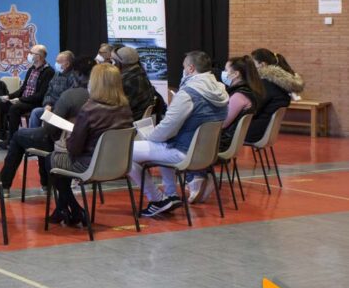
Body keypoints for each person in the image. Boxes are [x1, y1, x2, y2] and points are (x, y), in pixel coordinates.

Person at [128, 50, 229, 217]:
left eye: (183, 67)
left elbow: (167, 128)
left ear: (190, 69)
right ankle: (172, 195)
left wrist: (149, 136)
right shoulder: (221, 91)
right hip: (206, 153)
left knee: (125, 153)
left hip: (183, 151)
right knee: (161, 143)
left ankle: (157, 199)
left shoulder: (188, 93)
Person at [47, 64, 133, 228]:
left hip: (90, 166)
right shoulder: (125, 108)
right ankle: (64, 209)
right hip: (118, 165)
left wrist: (71, 135)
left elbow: (74, 149)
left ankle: (76, 209)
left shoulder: (89, 109)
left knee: (50, 160)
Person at [0, 56, 96, 191]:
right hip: (93, 151)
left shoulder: (71, 95)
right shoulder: (104, 96)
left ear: (76, 73)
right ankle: (45, 184)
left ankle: (5, 185)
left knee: (19, 136)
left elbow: (51, 129)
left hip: (67, 145)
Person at [187, 55, 265, 204]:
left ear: (236, 74)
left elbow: (222, 123)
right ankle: (199, 176)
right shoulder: (248, 92)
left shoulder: (240, 95)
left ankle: (199, 177)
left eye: (226, 70)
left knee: (186, 139)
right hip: (228, 139)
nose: (223, 73)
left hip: (223, 142)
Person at [247, 48, 304, 144]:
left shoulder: (267, 84)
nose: (251, 68)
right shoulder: (281, 85)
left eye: (253, 64)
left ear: (262, 64)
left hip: (255, 132)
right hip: (264, 130)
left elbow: (253, 109)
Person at [4, 44, 54, 142]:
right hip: (25, 100)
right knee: (4, 104)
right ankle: (3, 135)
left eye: (31, 53)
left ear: (38, 57)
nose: (29, 55)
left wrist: (19, 99)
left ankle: (13, 140)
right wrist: (8, 96)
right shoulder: (31, 69)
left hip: (35, 103)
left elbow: (40, 95)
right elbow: (22, 89)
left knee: (15, 108)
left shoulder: (48, 72)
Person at [27, 50, 76, 128]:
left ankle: (43, 135)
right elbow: (48, 92)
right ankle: (34, 137)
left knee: (45, 119)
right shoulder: (56, 74)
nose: (56, 64)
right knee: (36, 112)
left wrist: (53, 108)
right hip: (50, 108)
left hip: (62, 111)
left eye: (59, 62)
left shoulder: (73, 77)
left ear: (67, 64)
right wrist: (47, 104)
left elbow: (67, 99)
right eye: (56, 61)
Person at [113, 46, 160, 121]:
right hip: (138, 121)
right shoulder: (141, 75)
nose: (113, 65)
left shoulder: (128, 81)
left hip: (129, 123)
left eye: (114, 61)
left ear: (120, 63)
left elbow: (119, 109)